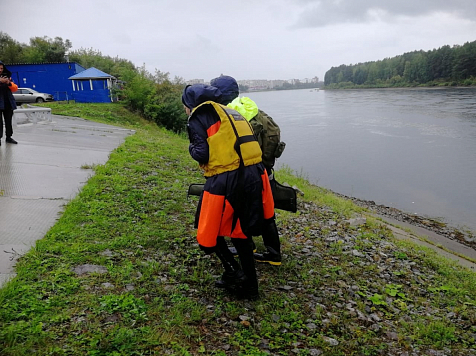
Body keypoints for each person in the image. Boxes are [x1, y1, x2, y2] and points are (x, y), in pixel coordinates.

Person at [182, 83, 275, 300]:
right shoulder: (231, 112)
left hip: (227, 179)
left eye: (185, 105)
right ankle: (250, 286)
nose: (185, 109)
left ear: (190, 104)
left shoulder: (199, 116)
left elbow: (202, 154)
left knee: (209, 227)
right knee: (240, 231)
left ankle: (234, 272)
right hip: (254, 174)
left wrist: (190, 148)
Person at [210, 75, 282, 266]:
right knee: (267, 212)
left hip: (246, 173)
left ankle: (252, 247)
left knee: (241, 209)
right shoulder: (251, 107)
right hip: (265, 169)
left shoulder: (228, 113)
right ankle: (273, 252)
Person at [0, 61, 18, 146]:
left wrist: (8, 83)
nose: (0, 70)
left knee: (8, 121)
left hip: (8, 102)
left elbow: (15, 88)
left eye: (2, 68)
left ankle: (8, 137)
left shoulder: (7, 76)